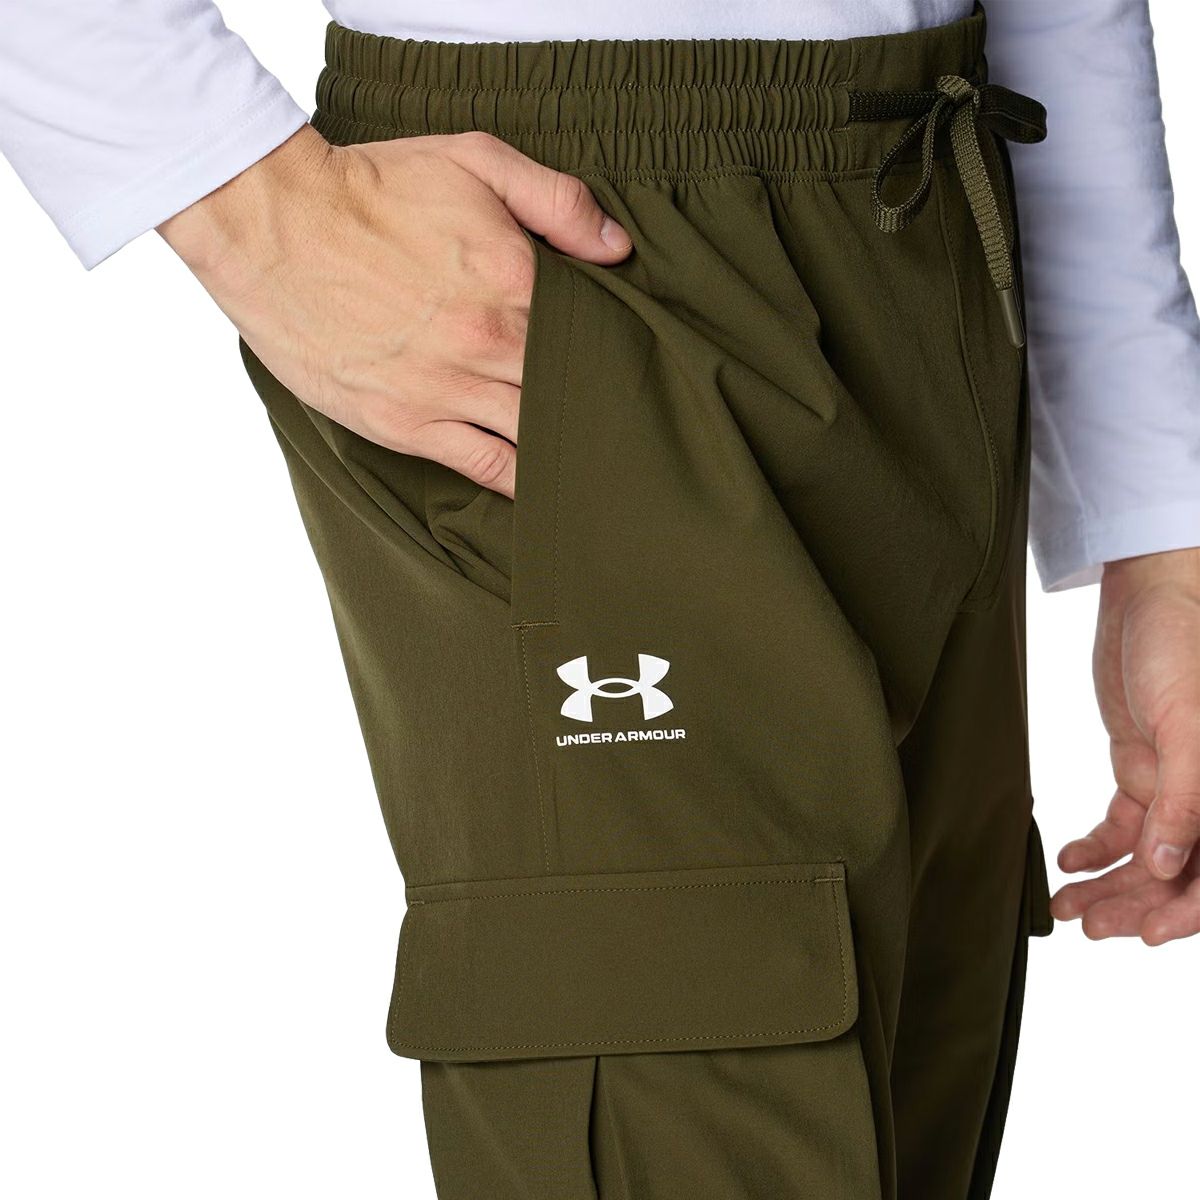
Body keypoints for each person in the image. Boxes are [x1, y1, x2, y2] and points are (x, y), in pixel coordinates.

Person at [2, 2, 1197, 1197]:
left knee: (917, 1062)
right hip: (572, 229)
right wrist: (256, 209)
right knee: (713, 1055)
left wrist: (1161, 525)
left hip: (939, 200)